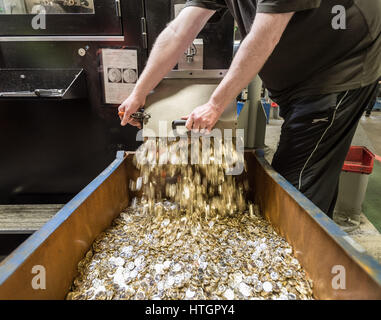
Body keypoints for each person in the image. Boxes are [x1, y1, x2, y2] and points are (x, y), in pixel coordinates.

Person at [118, 0, 381, 218]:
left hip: (339, 69)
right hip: (300, 75)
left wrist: (215, 105)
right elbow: (178, 32)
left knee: (299, 182)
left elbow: (264, 37)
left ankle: (303, 263)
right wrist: (138, 93)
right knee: (313, 168)